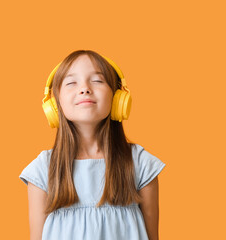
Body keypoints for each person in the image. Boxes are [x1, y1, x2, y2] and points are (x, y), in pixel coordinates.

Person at [19, 49, 166, 240]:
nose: (84, 89)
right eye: (72, 83)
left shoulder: (140, 163)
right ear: (55, 106)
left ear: (117, 99)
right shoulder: (42, 169)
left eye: (97, 80)